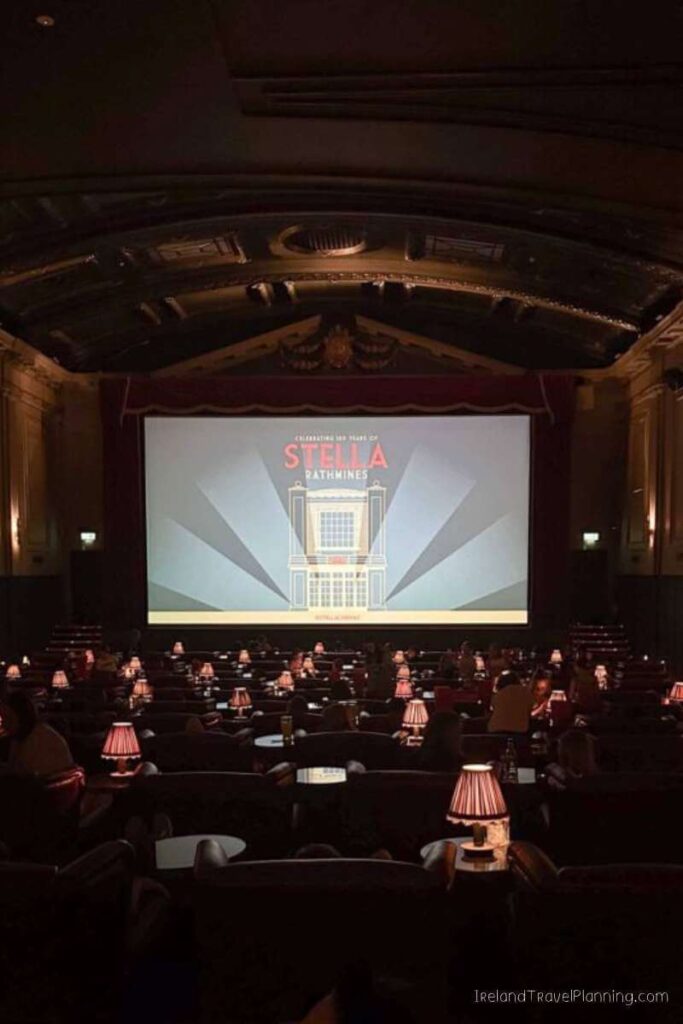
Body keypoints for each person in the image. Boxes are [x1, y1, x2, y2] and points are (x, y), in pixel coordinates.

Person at [1, 692, 75, 777]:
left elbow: (30, 776)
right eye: (3, 718)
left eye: (9, 718)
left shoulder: (40, 738)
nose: (4, 724)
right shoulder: (19, 736)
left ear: (21, 716)